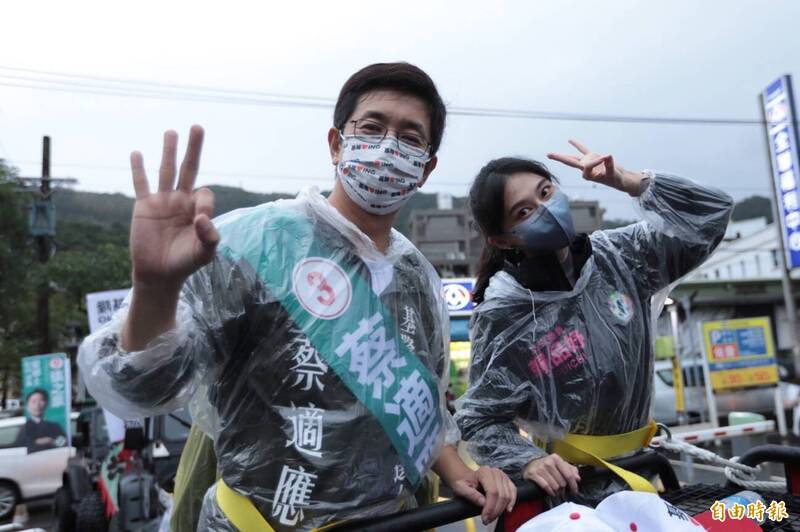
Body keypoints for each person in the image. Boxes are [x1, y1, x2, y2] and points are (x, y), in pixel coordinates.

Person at [79, 62, 516, 531]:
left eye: (410, 138)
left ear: (425, 168)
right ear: (336, 144)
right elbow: (142, 387)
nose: (388, 146)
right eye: (372, 127)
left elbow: (421, 412)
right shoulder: (256, 243)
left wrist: (460, 471)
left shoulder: (417, 278)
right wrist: (155, 289)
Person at [454, 141, 733, 504]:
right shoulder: (505, 313)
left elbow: (711, 216)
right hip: (568, 497)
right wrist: (529, 461)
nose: (545, 210)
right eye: (524, 211)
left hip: (644, 476)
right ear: (503, 239)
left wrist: (627, 180)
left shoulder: (619, 256)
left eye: (546, 192)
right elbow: (479, 419)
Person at [14, 388, 66, 453]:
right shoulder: (24, 427)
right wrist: (37, 442)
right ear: (27, 406)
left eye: (41, 400)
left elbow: (63, 441)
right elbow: (22, 448)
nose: (37, 405)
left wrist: (51, 441)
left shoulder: (54, 426)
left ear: (46, 404)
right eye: (33, 401)